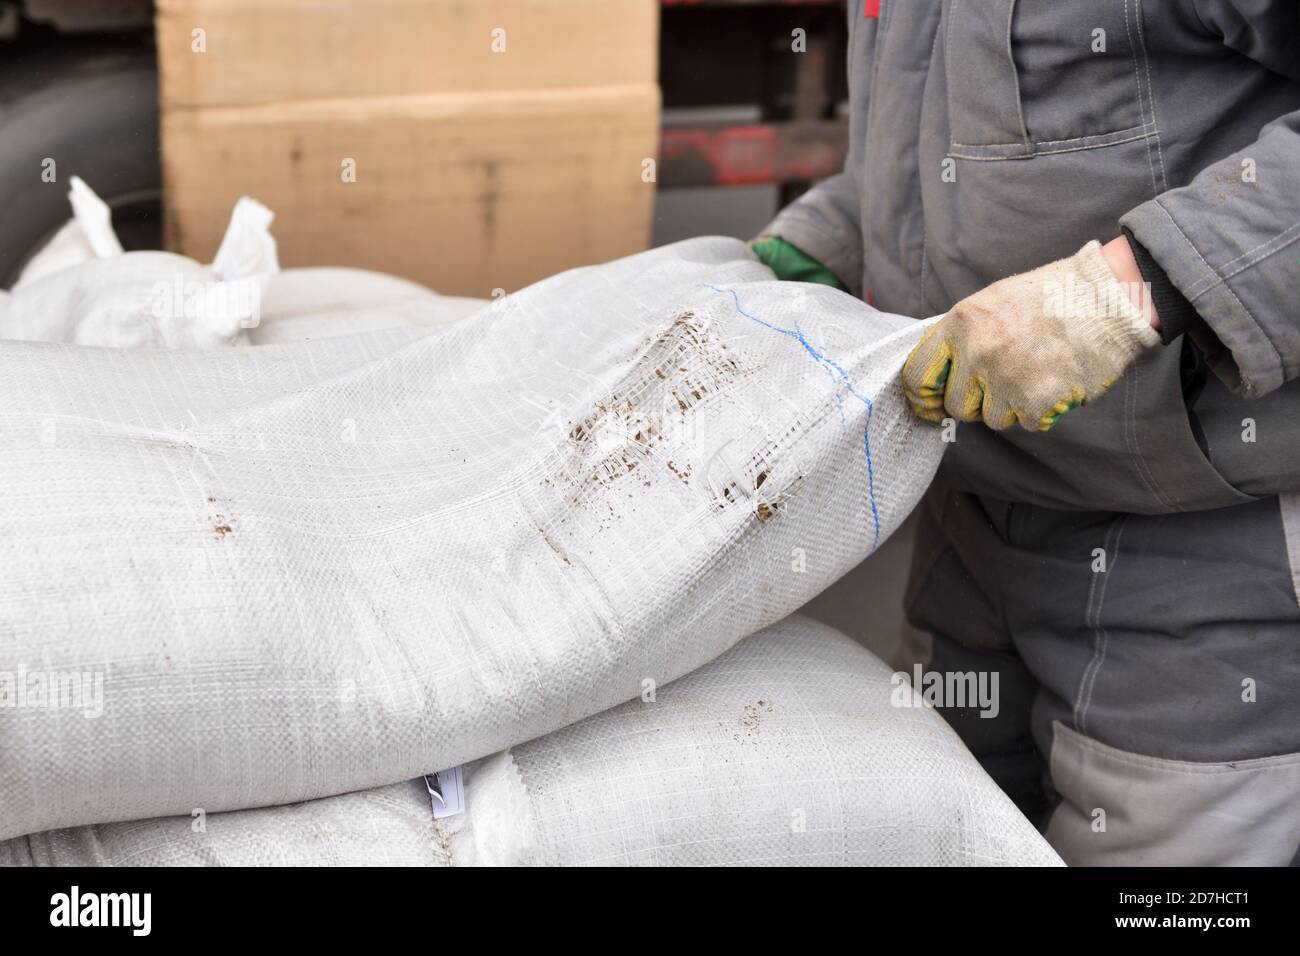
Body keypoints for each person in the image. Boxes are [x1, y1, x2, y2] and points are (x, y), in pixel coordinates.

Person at [752, 0, 1300, 865]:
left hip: (1196, 565)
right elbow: (933, 148)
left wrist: (1132, 288)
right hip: (967, 529)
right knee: (941, 832)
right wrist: (831, 238)